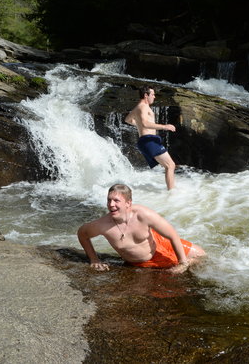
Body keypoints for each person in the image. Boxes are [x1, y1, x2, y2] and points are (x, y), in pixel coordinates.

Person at [77, 184, 205, 273]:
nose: (111, 205)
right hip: (143, 263)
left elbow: (172, 234)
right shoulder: (103, 225)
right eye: (109, 200)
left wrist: (183, 263)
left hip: (160, 244)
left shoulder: (143, 214)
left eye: (116, 201)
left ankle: (187, 262)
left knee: (202, 255)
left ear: (128, 203)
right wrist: (94, 259)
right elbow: (82, 234)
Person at [125, 85, 177, 190]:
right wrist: (165, 126)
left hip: (147, 141)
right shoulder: (143, 106)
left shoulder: (137, 107)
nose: (154, 97)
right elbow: (145, 123)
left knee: (169, 165)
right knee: (170, 165)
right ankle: (171, 192)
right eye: (152, 94)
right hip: (148, 140)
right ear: (146, 95)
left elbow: (127, 120)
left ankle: (171, 190)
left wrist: (138, 124)